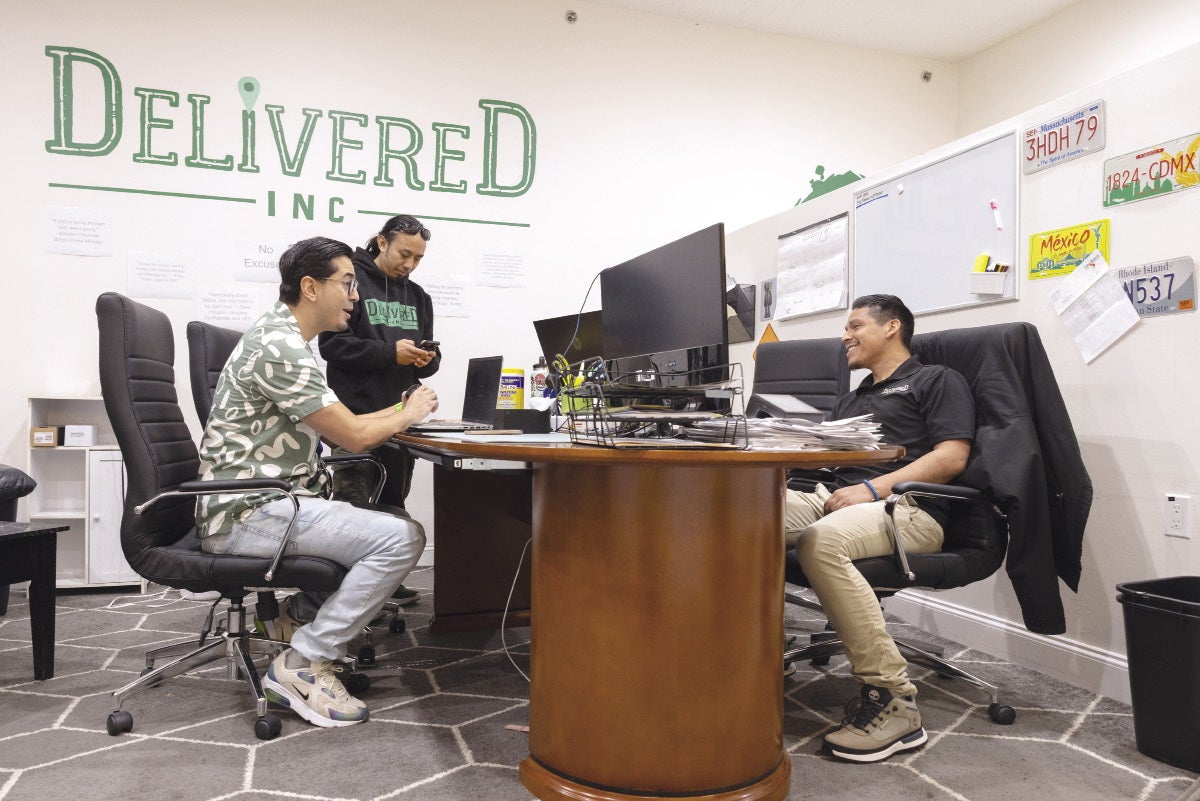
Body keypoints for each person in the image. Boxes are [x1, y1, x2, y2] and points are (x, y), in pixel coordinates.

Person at [196, 236, 439, 728]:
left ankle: (294, 616)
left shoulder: (284, 338)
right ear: (310, 287)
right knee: (401, 537)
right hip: (249, 512)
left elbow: (344, 418)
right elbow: (351, 433)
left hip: (263, 500)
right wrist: (407, 410)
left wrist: (400, 410)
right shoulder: (282, 348)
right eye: (347, 283)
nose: (355, 296)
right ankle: (304, 661)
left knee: (379, 522)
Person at [784, 294, 974, 763]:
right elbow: (826, 457)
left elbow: (952, 457)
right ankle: (754, 651)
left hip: (909, 507)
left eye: (855, 326)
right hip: (834, 497)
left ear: (892, 328)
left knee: (820, 541)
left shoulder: (935, 380)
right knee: (736, 518)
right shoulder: (852, 397)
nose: (844, 336)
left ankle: (893, 700)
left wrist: (871, 489)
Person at [318, 214, 439, 511]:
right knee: (352, 511)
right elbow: (332, 346)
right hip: (355, 420)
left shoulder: (419, 297)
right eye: (404, 254)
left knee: (394, 509)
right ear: (382, 243)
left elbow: (428, 363)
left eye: (418, 258)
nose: (409, 264)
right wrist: (389, 353)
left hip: (401, 422)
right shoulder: (351, 284)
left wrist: (426, 360)